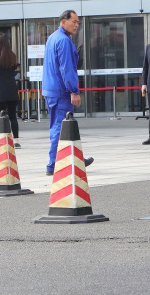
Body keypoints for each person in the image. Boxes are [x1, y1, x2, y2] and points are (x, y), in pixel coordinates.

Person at [42, 10, 92, 175]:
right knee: (61, 126)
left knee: (62, 125)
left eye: (78, 22)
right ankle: (53, 163)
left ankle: (73, 157)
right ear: (63, 21)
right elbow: (67, 69)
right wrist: (74, 90)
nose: (77, 25)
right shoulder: (64, 41)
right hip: (61, 91)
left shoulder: (53, 38)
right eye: (74, 21)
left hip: (51, 89)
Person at [0, 34, 21, 147]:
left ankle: (2, 140)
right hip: (12, 88)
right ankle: (16, 140)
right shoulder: (12, 56)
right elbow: (13, 71)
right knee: (13, 116)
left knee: (0, 117)